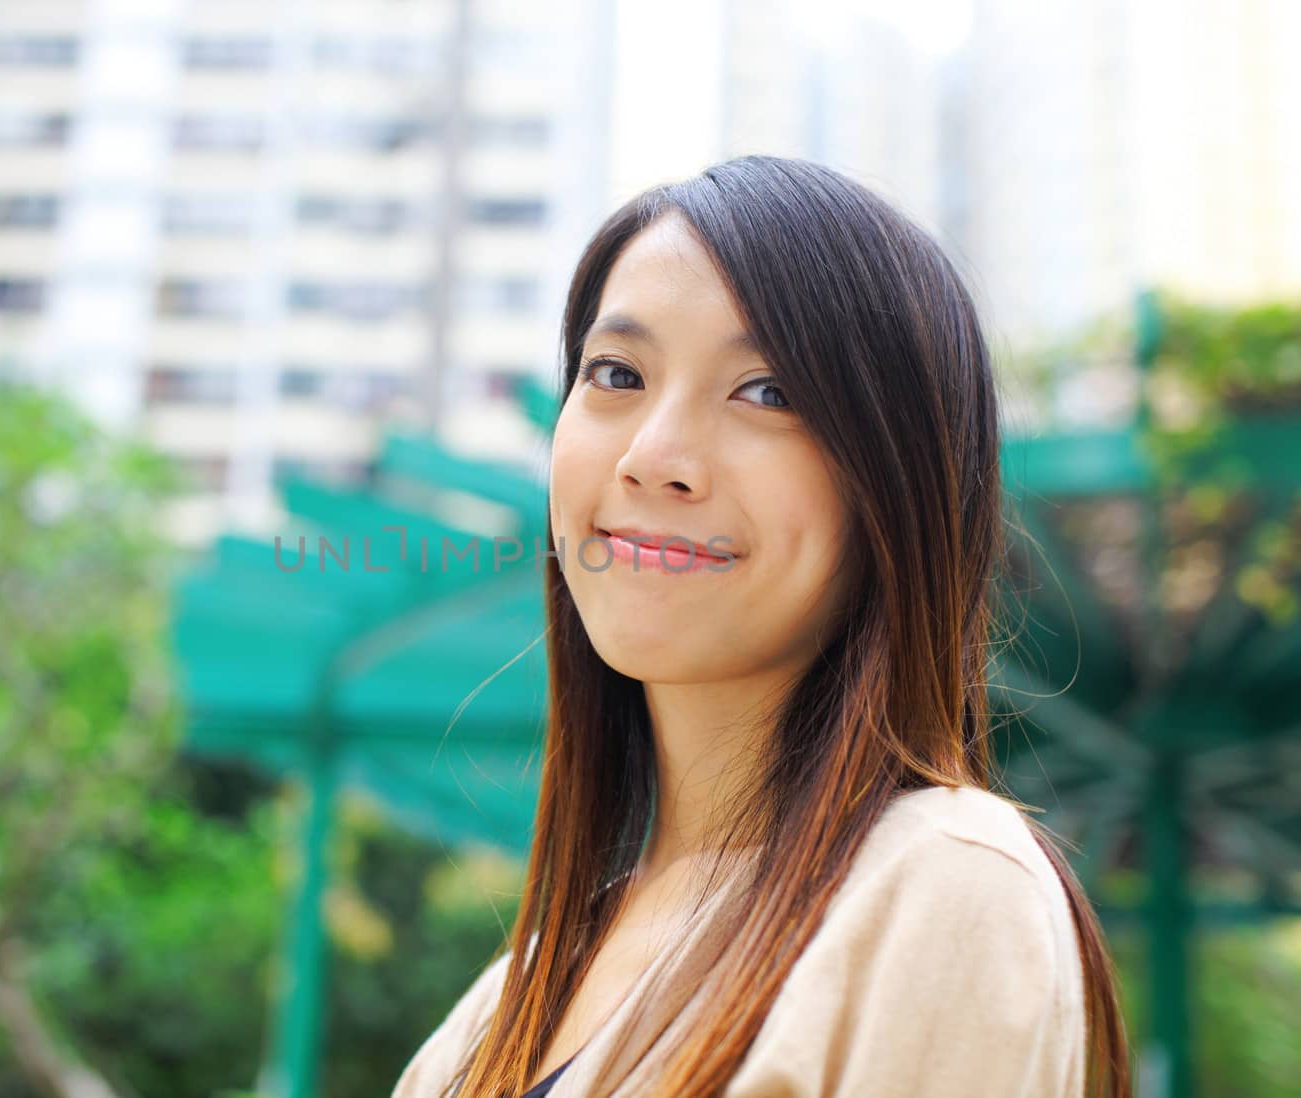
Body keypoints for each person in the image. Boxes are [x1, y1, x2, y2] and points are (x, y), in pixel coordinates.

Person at [391, 155, 1132, 1098]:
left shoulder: (942, 887)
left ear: (897, 488)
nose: (654, 457)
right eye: (616, 373)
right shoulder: (507, 1005)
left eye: (769, 393)